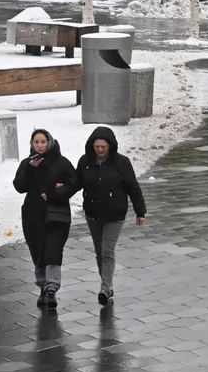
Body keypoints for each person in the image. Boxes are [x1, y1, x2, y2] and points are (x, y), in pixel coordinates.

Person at [75, 126, 146, 305]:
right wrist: (59, 190)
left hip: (115, 214)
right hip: (93, 213)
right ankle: (108, 285)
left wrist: (140, 211)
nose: (99, 150)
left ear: (110, 146)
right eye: (97, 147)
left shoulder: (122, 162)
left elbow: (133, 187)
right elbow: (76, 182)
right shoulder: (85, 161)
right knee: (99, 253)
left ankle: (105, 288)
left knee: (107, 251)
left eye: (103, 147)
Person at [13, 129, 77, 308]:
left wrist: (57, 192)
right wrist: (29, 169)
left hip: (58, 215)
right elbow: (19, 186)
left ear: (50, 142)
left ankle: (51, 289)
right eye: (36, 142)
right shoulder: (28, 163)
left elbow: (74, 183)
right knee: (38, 251)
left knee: (53, 250)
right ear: (32, 144)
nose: (40, 145)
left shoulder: (62, 162)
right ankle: (43, 287)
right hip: (33, 215)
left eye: (43, 141)